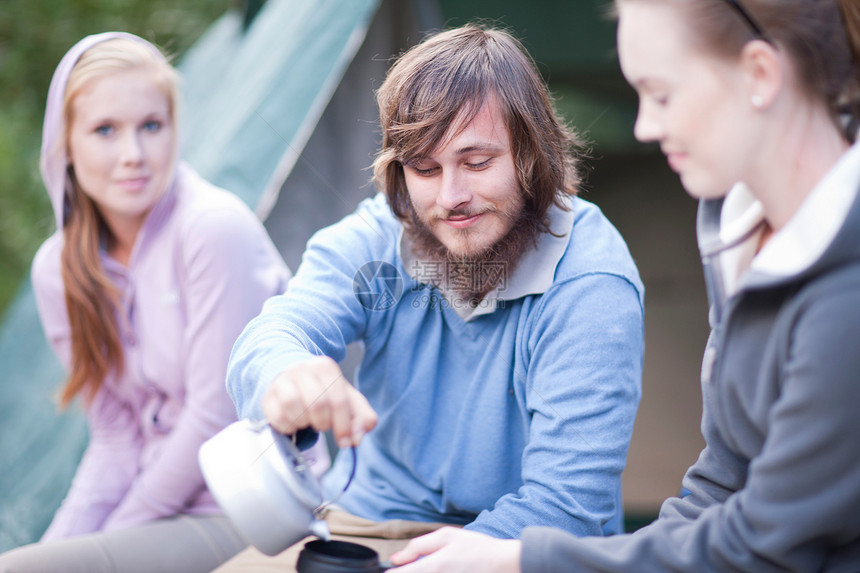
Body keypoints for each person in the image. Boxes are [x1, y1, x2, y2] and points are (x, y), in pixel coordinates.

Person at [388, 0, 860, 572]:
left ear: (760, 74)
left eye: (662, 94)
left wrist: (520, 560)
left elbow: (761, 545)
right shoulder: (733, 225)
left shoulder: (844, 296)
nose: (644, 126)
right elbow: (720, 483)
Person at [218, 23, 645, 572]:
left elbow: (566, 506)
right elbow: (273, 334)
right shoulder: (380, 232)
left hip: (519, 548)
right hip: (363, 523)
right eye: (424, 168)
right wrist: (287, 371)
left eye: (476, 162)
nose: (451, 197)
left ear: (531, 155)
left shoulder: (592, 281)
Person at [0, 32, 328, 573]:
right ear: (66, 145)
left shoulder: (212, 228)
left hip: (252, 503)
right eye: (105, 130)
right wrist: (65, 540)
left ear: (174, 128)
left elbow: (213, 415)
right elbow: (113, 437)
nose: (133, 155)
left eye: (151, 126)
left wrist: (114, 534)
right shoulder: (57, 270)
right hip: (159, 513)